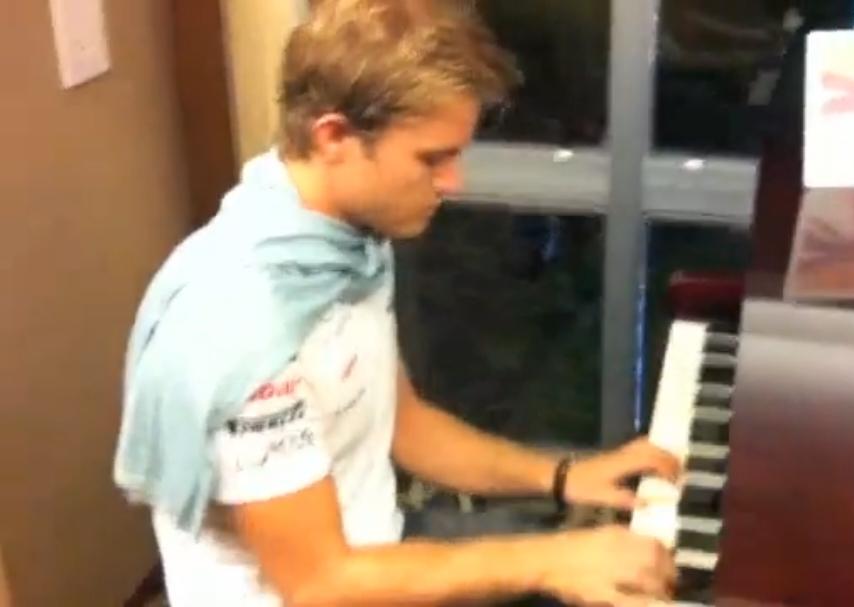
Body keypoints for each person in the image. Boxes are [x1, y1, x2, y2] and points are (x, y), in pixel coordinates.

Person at [112, 1, 681, 605]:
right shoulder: (242, 327)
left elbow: (405, 427)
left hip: (380, 544)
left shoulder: (344, 250)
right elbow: (319, 583)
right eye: (432, 158)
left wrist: (565, 476)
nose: (454, 183)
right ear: (334, 137)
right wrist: (549, 561)